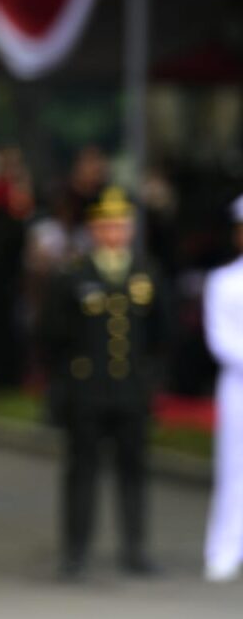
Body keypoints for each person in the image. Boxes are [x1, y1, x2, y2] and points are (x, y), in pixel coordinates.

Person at [40, 187, 170, 580]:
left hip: (130, 387)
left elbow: (162, 333)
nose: (114, 232)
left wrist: (152, 379)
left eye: (121, 225)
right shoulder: (74, 274)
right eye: (107, 225)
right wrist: (63, 386)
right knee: (82, 470)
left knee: (134, 469)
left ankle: (135, 547)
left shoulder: (146, 271)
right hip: (88, 389)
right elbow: (52, 334)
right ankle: (76, 550)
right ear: (94, 229)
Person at [203, 194, 243, 582]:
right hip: (239, 386)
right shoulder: (224, 282)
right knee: (233, 469)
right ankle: (225, 549)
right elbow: (221, 340)